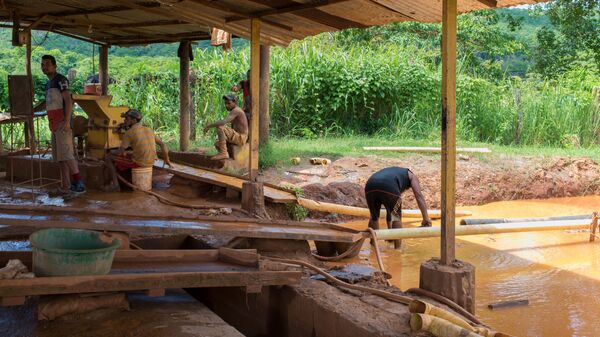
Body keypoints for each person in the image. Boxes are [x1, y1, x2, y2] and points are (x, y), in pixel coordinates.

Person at [34, 55, 85, 195]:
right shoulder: (48, 84)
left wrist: (68, 121)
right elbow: (46, 103)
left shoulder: (60, 80)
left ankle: (79, 183)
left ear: (55, 66)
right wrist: (32, 110)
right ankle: (65, 186)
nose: (45, 67)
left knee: (67, 154)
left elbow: (68, 101)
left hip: (63, 122)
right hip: (54, 124)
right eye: (43, 64)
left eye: (48, 64)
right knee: (60, 158)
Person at [105, 109, 172, 191]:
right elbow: (162, 144)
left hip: (139, 163)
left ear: (134, 120)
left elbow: (120, 151)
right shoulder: (149, 129)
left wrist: (110, 151)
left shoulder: (129, 132)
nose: (124, 120)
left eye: (127, 118)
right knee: (129, 153)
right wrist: (167, 159)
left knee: (108, 157)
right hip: (152, 161)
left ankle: (115, 185)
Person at [365, 167, 432, 248]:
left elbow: (389, 211)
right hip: (389, 187)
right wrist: (426, 219)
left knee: (374, 217)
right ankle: (397, 250)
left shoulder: (395, 173)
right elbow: (419, 196)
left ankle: (373, 247)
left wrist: (390, 234)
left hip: (370, 186)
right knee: (396, 218)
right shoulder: (413, 176)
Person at [203, 95, 248, 160]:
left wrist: (208, 126)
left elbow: (223, 122)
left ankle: (223, 153)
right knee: (218, 144)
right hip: (238, 136)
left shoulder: (236, 110)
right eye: (225, 103)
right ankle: (226, 154)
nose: (226, 105)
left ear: (234, 102)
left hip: (241, 138)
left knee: (220, 128)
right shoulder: (234, 111)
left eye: (229, 103)